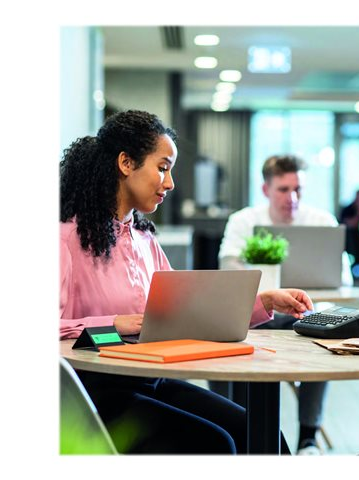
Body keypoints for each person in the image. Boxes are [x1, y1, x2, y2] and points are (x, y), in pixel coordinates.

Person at [60, 110, 313, 454]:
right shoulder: (65, 240)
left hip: (149, 379)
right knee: (218, 444)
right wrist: (113, 324)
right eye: (162, 168)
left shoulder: (144, 240)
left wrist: (264, 301)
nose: (170, 183)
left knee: (262, 434)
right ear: (126, 163)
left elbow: (186, 316)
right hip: (92, 393)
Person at [216, 154, 353, 455]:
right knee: (219, 333)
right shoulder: (244, 220)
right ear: (266, 189)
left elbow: (344, 276)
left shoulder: (321, 221)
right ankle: (232, 425)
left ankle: (308, 439)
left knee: (324, 337)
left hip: (303, 314)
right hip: (256, 316)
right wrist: (267, 291)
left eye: (298, 189)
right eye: (283, 189)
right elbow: (228, 266)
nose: (292, 197)